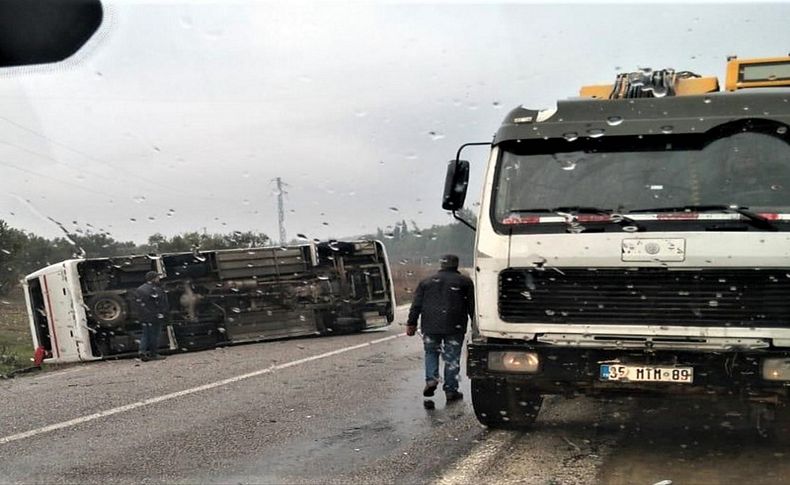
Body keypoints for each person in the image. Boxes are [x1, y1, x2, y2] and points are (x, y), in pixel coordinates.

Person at [406, 254, 474, 402]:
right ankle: (451, 390)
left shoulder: (426, 282)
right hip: (455, 325)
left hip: (430, 325)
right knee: (452, 358)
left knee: (431, 352)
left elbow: (416, 305)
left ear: (441, 265)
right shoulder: (465, 282)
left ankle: (431, 380)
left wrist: (411, 323)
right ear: (456, 265)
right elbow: (472, 307)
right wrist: (476, 325)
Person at [135, 270, 170, 362]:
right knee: (155, 335)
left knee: (145, 335)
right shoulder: (156, 289)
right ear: (153, 279)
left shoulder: (140, 289)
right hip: (155, 316)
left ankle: (142, 351)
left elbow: (139, 304)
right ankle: (153, 354)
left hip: (144, 316)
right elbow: (161, 303)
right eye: (157, 277)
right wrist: (162, 313)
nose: (159, 279)